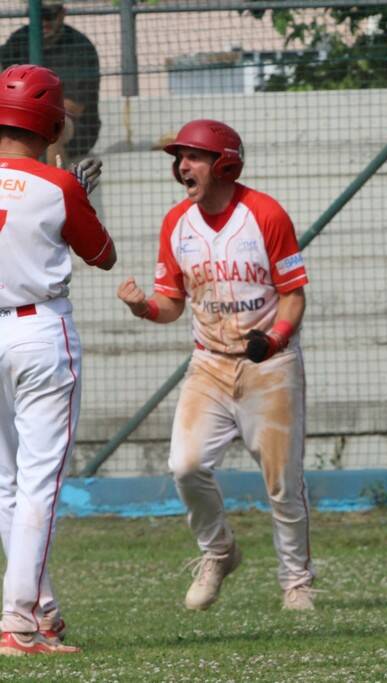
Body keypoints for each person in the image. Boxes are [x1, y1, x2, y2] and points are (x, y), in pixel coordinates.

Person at [116, 119, 316, 612]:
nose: (182, 166)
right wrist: (143, 306)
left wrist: (275, 339)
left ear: (224, 162)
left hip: (268, 364)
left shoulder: (264, 213)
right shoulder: (176, 224)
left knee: (282, 481)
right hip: (208, 365)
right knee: (185, 466)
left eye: (194, 157)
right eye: (179, 158)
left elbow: (293, 296)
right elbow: (171, 303)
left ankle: (296, 583)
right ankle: (219, 552)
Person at [0, 64, 115, 656]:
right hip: (37, 332)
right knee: (39, 483)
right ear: (48, 120)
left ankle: (40, 610)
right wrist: (76, 194)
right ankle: (17, 622)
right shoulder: (56, 185)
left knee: (5, 483)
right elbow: (103, 255)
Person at [0, 0, 101, 165]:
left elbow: (75, 107)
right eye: (39, 16)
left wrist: (31, 115)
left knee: (50, 127)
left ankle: (57, 188)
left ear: (62, 14)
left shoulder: (80, 46)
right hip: (21, 119)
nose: (44, 22)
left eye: (49, 15)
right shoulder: (17, 42)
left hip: (76, 127)